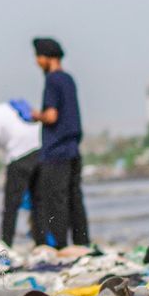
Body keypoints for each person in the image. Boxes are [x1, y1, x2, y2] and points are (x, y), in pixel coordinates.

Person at [32, 37, 90, 249]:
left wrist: (34, 115)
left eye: (38, 57)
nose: (37, 62)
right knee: (75, 201)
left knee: (56, 203)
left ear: (47, 57)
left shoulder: (52, 80)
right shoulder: (68, 79)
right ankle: (82, 243)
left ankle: (60, 246)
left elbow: (52, 116)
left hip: (56, 152)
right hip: (73, 149)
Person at [0, 97, 43, 247]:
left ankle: (7, 246)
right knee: (38, 202)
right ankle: (42, 244)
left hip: (19, 155)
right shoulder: (5, 106)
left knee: (10, 206)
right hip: (41, 149)